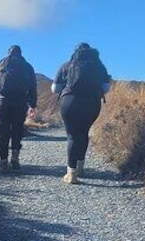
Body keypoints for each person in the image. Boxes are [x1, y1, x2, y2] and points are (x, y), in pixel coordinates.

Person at [52, 43, 111, 184]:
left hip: (69, 102)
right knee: (84, 132)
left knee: (72, 136)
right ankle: (80, 167)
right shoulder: (99, 66)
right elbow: (106, 88)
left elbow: (55, 88)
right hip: (92, 103)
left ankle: (71, 174)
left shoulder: (67, 65)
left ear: (76, 52)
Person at [0, 45, 38, 172]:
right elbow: (33, 87)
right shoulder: (27, 67)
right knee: (17, 130)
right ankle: (15, 158)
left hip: (1, 101)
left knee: (2, 131)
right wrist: (32, 105)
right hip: (20, 102)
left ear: (8, 53)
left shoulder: (1, 65)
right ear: (21, 53)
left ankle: (3, 161)